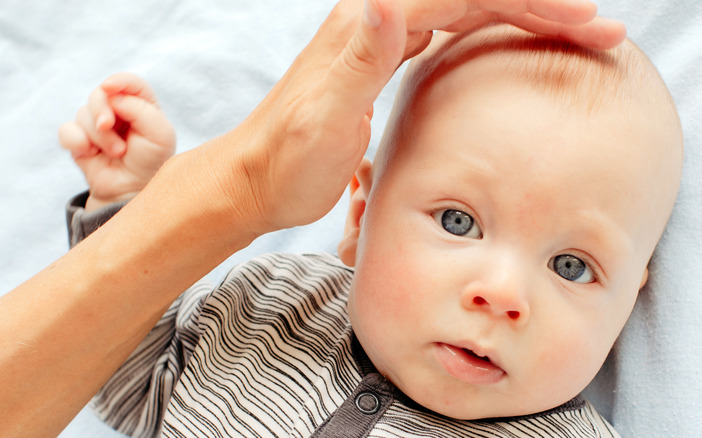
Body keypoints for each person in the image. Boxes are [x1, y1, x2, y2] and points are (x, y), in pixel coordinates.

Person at [0, 0, 631, 436]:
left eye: (571, 266)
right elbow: (119, 388)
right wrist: (127, 204)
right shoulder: (266, 305)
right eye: (458, 222)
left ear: (629, 304)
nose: (500, 295)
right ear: (360, 216)